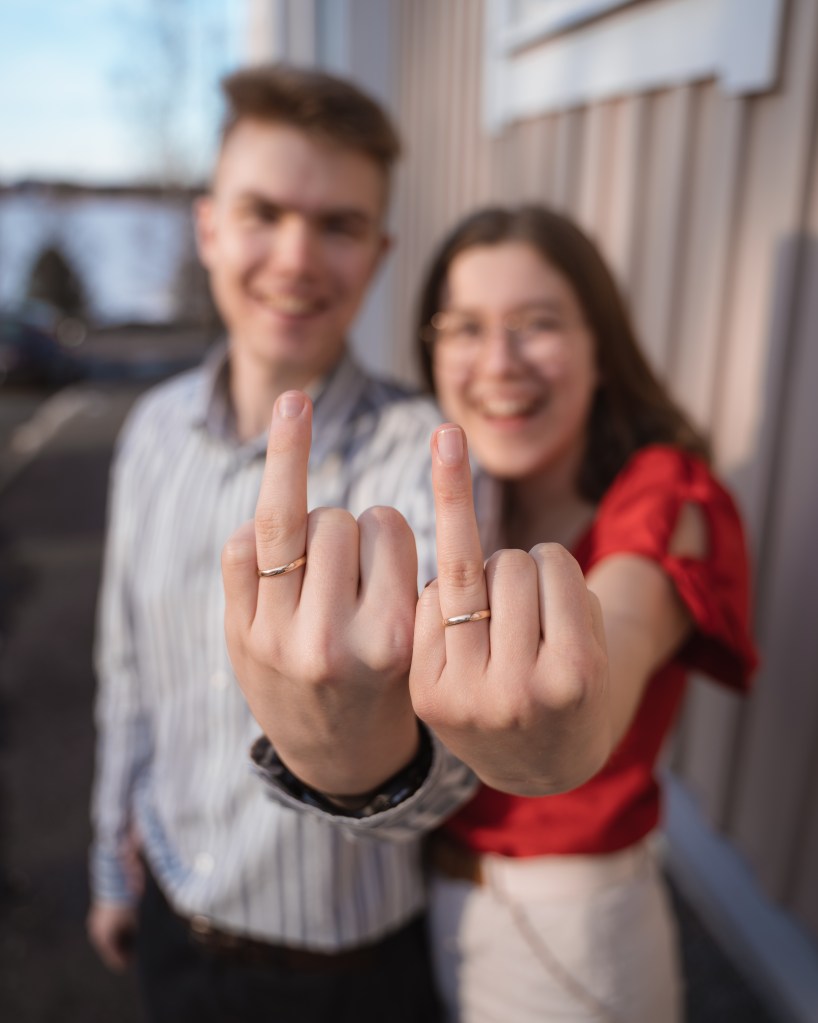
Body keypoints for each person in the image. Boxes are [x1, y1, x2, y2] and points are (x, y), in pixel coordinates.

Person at [223, 205, 758, 1022]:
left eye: (538, 323)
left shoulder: (660, 496)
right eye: (465, 327)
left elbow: (616, 640)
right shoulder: (456, 498)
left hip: (569, 928)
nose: (500, 362)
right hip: (434, 904)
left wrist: (569, 735)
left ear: (601, 350)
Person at [87, 63, 476, 1023]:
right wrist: (109, 866)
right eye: (264, 212)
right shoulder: (151, 431)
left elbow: (450, 766)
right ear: (209, 228)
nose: (297, 259)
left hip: (342, 975)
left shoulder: (430, 461)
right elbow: (128, 668)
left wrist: (361, 759)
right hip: (169, 914)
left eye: (338, 224)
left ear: (378, 253)